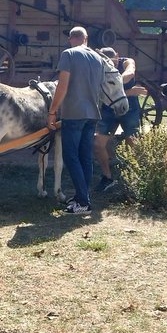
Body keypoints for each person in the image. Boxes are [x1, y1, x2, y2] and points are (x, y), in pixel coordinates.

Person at [46, 26, 106, 215]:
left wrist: (52, 111)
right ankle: (82, 198)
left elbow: (62, 86)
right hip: (92, 113)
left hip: (73, 113)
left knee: (71, 157)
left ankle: (83, 202)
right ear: (86, 38)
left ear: (70, 39)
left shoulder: (68, 54)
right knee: (85, 157)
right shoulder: (98, 58)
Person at [93, 46, 145, 192]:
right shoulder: (99, 69)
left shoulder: (127, 62)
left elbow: (130, 72)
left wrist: (114, 81)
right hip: (108, 109)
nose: (113, 64)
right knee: (98, 144)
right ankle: (107, 177)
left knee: (132, 141)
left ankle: (135, 176)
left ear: (118, 55)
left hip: (129, 108)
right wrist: (129, 91)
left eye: (114, 61)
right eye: (109, 63)